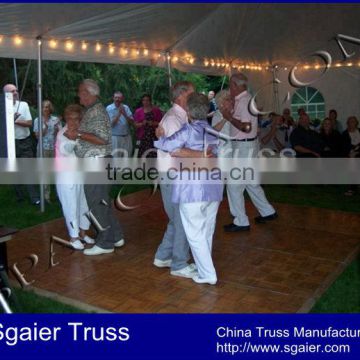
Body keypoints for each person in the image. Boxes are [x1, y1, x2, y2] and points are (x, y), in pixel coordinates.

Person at [155, 93, 223, 285]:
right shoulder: (212, 131)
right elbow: (213, 153)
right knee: (206, 230)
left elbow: (165, 145)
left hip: (192, 187)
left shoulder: (186, 130)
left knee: (194, 232)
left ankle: (208, 274)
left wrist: (159, 135)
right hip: (213, 185)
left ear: (189, 111)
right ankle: (204, 271)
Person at [65, 79, 125, 255]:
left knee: (96, 204)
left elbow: (103, 139)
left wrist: (78, 134)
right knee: (102, 202)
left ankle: (105, 243)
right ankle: (116, 236)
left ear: (88, 93)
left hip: (96, 162)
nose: (78, 95)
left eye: (80, 92)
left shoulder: (96, 112)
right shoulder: (94, 110)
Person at [220, 73, 277, 232]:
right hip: (248, 146)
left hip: (243, 148)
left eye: (230, 85)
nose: (229, 89)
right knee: (251, 182)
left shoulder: (244, 101)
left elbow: (246, 127)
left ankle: (241, 221)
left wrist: (229, 117)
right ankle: (268, 212)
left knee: (233, 185)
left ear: (236, 85)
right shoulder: (246, 100)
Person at [153, 81, 197, 279]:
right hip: (173, 174)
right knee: (182, 220)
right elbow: (176, 149)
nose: (195, 98)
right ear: (181, 96)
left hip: (174, 173)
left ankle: (163, 256)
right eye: (192, 94)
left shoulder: (181, 117)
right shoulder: (173, 119)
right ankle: (179, 263)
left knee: (177, 218)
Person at [55, 104, 93, 250]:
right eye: (70, 119)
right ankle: (73, 237)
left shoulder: (80, 132)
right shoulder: (62, 134)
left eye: (77, 119)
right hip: (66, 178)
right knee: (71, 206)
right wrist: (73, 139)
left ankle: (83, 234)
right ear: (66, 118)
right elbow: (66, 150)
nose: (73, 122)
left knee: (83, 206)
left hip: (79, 176)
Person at [3, 84, 40, 205]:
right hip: (10, 143)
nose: (15, 92)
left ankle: (35, 199)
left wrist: (15, 121)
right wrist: (9, 119)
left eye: (16, 90)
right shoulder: (2, 108)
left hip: (25, 141)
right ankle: (19, 198)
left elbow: (29, 123)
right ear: (5, 94)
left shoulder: (23, 105)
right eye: (12, 91)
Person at [33, 100, 61, 202]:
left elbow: (60, 135)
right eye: (44, 107)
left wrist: (57, 128)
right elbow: (37, 136)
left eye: (47, 107)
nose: (45, 109)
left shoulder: (55, 119)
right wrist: (45, 126)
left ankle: (60, 194)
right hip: (43, 149)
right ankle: (46, 196)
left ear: (50, 109)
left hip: (54, 148)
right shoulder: (38, 120)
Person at [106, 91, 133, 157]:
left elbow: (131, 122)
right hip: (115, 137)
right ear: (113, 98)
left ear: (122, 98)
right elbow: (111, 125)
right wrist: (119, 113)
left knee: (127, 158)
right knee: (116, 159)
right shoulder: (109, 108)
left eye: (119, 98)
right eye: (116, 97)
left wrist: (124, 114)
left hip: (127, 137)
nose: (117, 99)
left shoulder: (126, 107)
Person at [342, 116, 360, 196]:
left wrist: (356, 151)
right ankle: (352, 188)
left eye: (354, 121)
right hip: (350, 154)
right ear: (347, 123)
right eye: (350, 121)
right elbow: (345, 146)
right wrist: (352, 150)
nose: (352, 123)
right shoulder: (345, 134)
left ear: (357, 123)